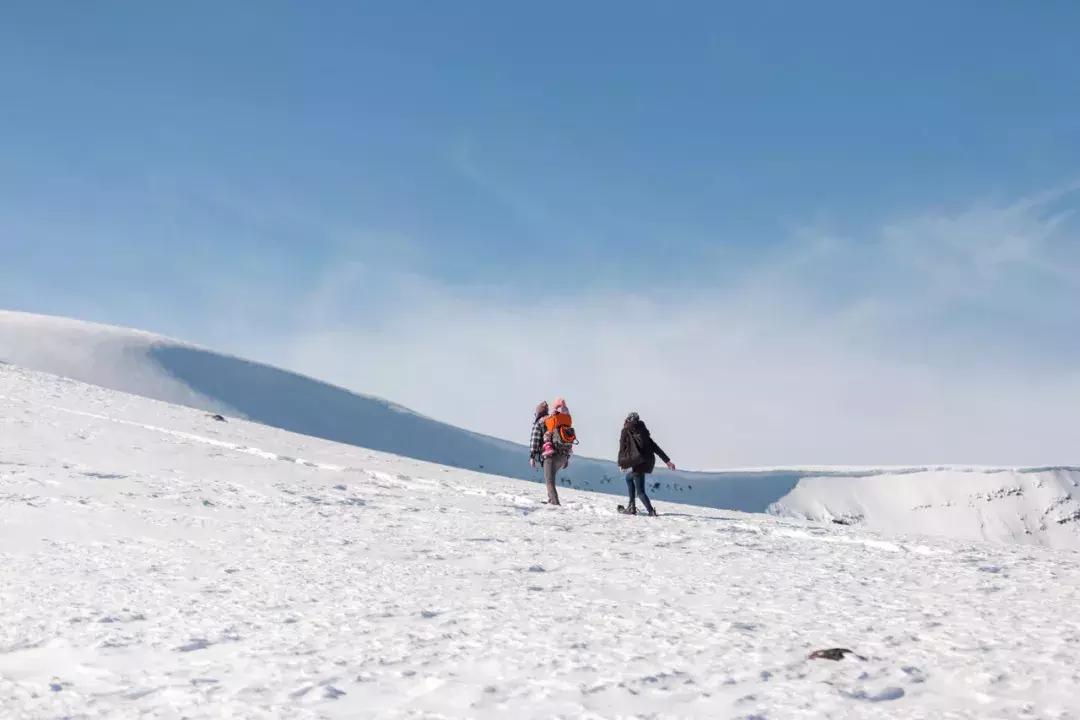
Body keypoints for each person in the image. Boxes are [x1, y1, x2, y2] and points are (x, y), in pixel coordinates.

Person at [617, 411, 675, 516]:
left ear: (628, 420)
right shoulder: (642, 430)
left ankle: (650, 511)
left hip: (637, 462)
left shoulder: (626, 430)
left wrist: (621, 463)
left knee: (640, 491)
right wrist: (667, 461)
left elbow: (622, 448)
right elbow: (655, 447)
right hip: (647, 462)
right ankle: (632, 506)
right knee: (629, 478)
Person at [529, 397, 573, 505]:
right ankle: (551, 499)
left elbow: (535, 439)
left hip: (550, 455)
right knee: (551, 478)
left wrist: (532, 456)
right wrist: (567, 458)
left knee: (549, 481)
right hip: (563, 455)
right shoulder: (556, 420)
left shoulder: (540, 422)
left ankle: (554, 503)